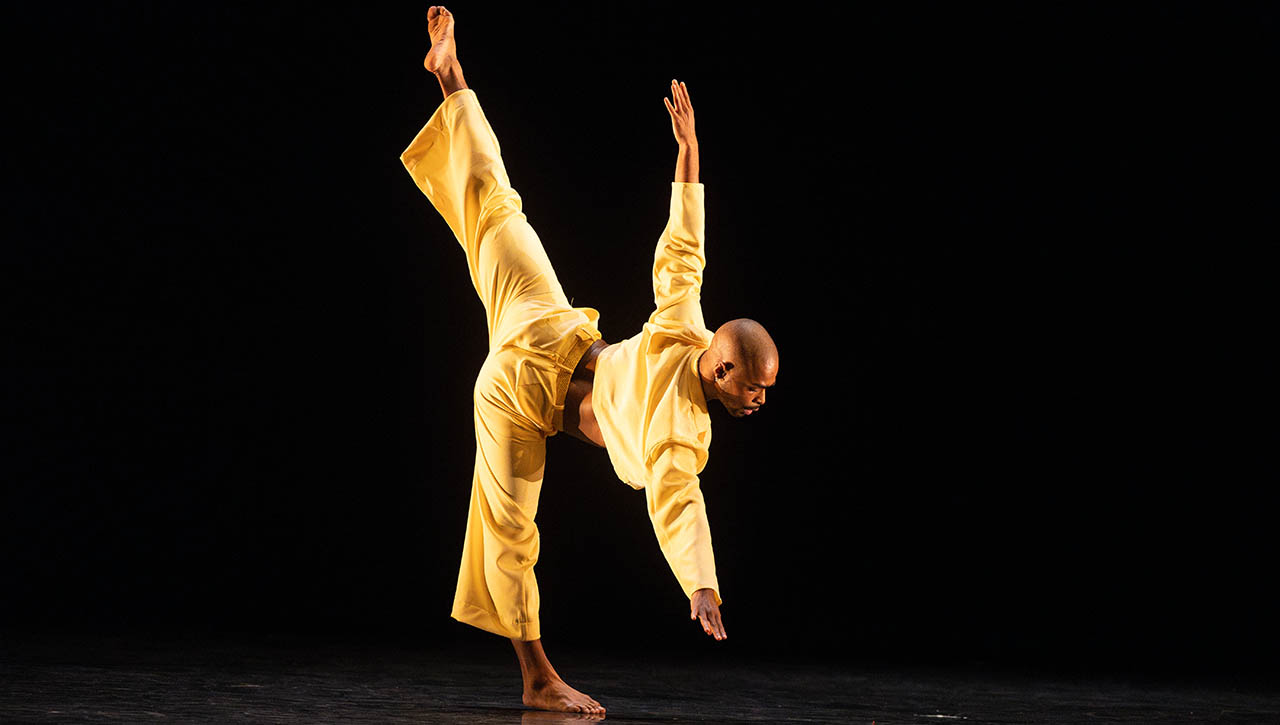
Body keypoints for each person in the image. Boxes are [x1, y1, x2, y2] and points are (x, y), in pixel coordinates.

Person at [400, 6, 779, 715]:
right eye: (755, 387)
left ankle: (538, 674)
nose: (758, 400)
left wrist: (690, 151)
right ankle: (450, 74)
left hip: (532, 355)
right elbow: (678, 503)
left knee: (499, 213)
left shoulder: (684, 330)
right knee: (499, 208)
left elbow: (685, 253)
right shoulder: (683, 425)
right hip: (535, 350)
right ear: (724, 370)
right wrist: (701, 584)